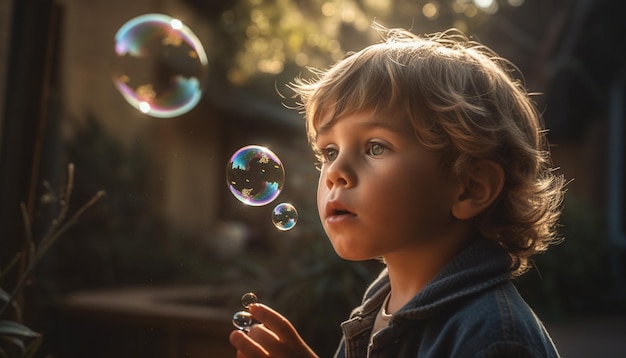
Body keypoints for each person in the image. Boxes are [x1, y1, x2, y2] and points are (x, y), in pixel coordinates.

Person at [229, 23, 566, 358]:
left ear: (470, 188)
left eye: (376, 147)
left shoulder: (492, 340)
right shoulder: (377, 308)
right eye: (329, 152)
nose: (335, 173)